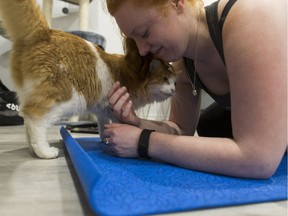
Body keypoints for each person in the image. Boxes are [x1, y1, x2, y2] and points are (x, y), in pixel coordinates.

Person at [102, 0, 286, 179]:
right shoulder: (185, 64)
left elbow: (259, 159)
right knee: (209, 124)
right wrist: (137, 122)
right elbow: (180, 129)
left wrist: (143, 141)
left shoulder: (251, 16)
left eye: (144, 32)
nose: (142, 50)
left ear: (176, 3)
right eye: (134, 41)